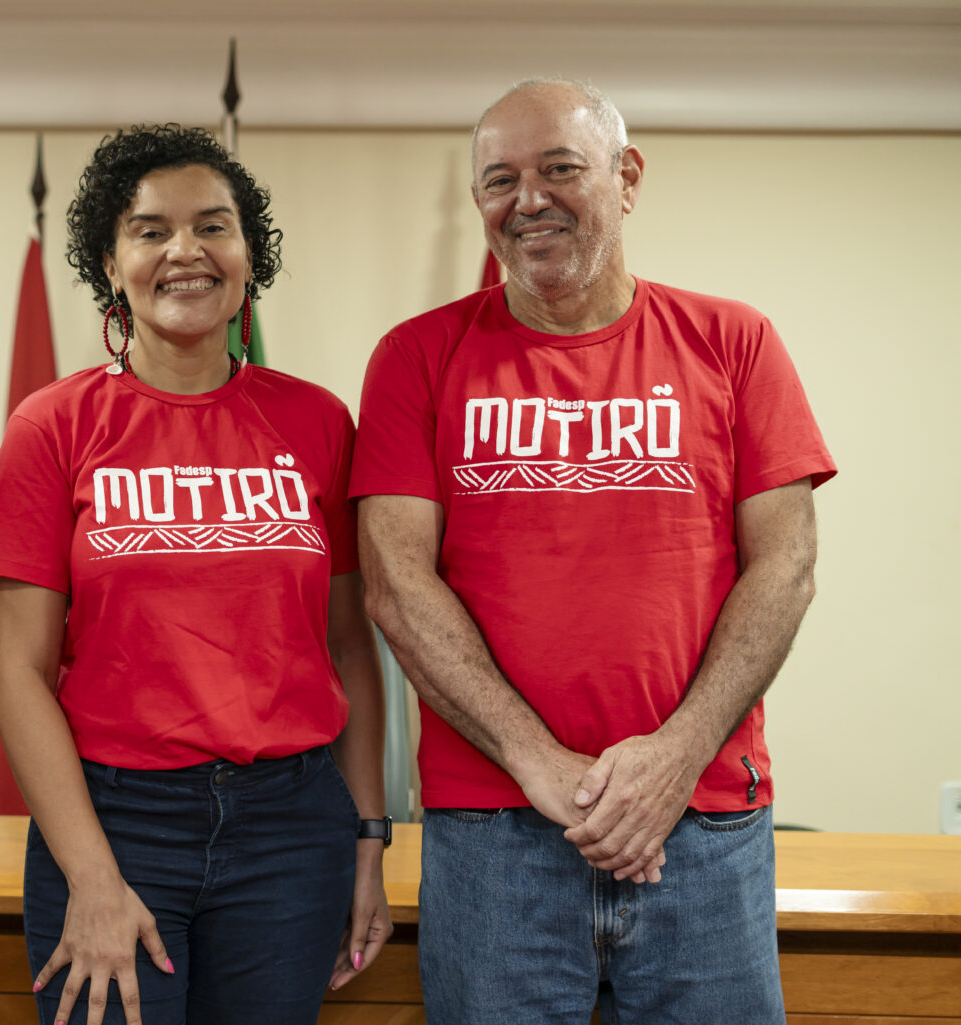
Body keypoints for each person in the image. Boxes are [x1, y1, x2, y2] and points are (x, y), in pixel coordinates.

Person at [352, 79, 836, 1023]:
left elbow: (786, 566)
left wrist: (673, 759)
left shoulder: (735, 343)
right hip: (494, 832)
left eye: (560, 168)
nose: (528, 199)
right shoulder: (416, 357)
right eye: (500, 180)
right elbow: (395, 584)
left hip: (701, 824)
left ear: (628, 178)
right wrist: (537, 760)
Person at [0, 124, 391, 1025]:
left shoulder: (319, 422)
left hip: (292, 828)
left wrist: (369, 837)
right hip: (112, 819)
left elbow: (351, 648)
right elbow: (16, 669)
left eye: (213, 226)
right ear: (110, 262)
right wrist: (92, 875)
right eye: (151, 230)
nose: (185, 251)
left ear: (249, 255)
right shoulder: (52, 426)